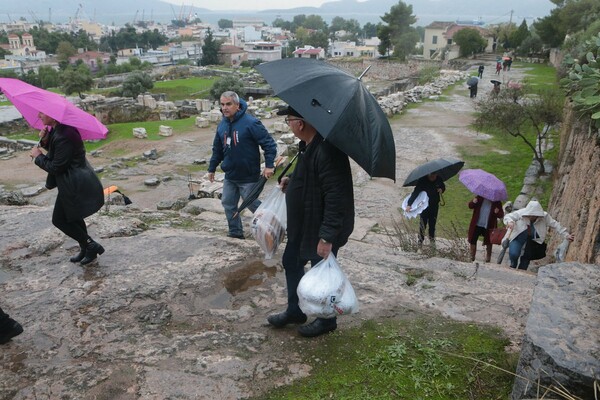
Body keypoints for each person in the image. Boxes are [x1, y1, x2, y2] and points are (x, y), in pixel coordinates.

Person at [267, 106, 354, 338]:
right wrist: (292, 180)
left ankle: (327, 320)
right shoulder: (310, 147)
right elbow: (311, 176)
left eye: (289, 120)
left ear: (300, 123)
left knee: (322, 274)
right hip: (304, 224)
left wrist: (327, 237)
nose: (288, 124)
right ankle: (295, 311)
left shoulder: (328, 151)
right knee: (291, 261)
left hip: (319, 227)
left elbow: (336, 197)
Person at [30, 113, 105, 265]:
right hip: (72, 181)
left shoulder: (65, 134)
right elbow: (57, 151)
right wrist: (45, 140)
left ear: (53, 114)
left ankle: (91, 245)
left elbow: (57, 166)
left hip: (74, 183)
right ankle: (85, 248)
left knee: (59, 219)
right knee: (74, 216)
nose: (39, 115)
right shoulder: (60, 129)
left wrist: (38, 157)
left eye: (42, 112)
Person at [207, 91, 277, 239]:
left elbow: (269, 144)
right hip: (230, 175)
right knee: (228, 203)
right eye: (222, 104)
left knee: (252, 205)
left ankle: (275, 228)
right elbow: (217, 149)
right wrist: (211, 168)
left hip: (248, 175)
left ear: (237, 105)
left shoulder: (251, 123)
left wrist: (269, 165)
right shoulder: (222, 125)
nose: (225, 108)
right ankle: (236, 233)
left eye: (228, 104)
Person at [503, 200, 574, 270]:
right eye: (530, 215)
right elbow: (508, 217)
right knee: (514, 254)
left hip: (532, 240)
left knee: (527, 257)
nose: (531, 217)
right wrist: (510, 222)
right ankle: (513, 264)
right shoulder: (521, 213)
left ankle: (522, 271)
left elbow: (555, 224)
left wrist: (566, 235)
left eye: (534, 215)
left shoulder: (545, 216)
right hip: (518, 237)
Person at [405, 173, 445, 245]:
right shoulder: (422, 180)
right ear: (428, 175)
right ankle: (420, 241)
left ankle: (432, 242)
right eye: (431, 175)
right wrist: (409, 204)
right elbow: (415, 192)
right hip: (423, 206)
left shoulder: (439, 179)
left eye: (434, 175)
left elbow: (443, 187)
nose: (432, 177)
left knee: (432, 225)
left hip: (434, 205)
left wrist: (441, 189)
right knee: (423, 224)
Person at [467, 196, 504, 262]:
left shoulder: (497, 202)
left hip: (488, 225)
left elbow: (501, 214)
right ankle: (472, 256)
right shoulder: (479, 198)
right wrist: (473, 202)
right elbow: (470, 206)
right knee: (473, 239)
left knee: (489, 241)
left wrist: (497, 212)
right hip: (477, 224)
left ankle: (488, 257)